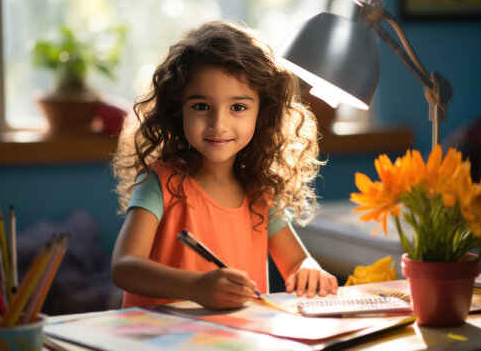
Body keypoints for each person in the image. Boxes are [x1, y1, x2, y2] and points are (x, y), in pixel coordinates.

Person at [111, 20, 338, 310]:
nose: (218, 124)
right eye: (202, 106)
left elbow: (296, 262)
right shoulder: (160, 181)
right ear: (177, 107)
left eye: (238, 107)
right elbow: (124, 267)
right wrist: (196, 287)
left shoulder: (260, 193)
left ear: (263, 113)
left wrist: (310, 270)